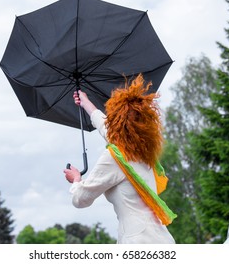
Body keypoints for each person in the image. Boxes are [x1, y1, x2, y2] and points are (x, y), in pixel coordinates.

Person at [64, 74, 176, 244]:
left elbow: (81, 199)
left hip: (137, 243)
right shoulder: (143, 152)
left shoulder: (115, 158)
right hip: (162, 240)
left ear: (117, 122)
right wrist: (86, 103)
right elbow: (107, 130)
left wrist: (76, 181)